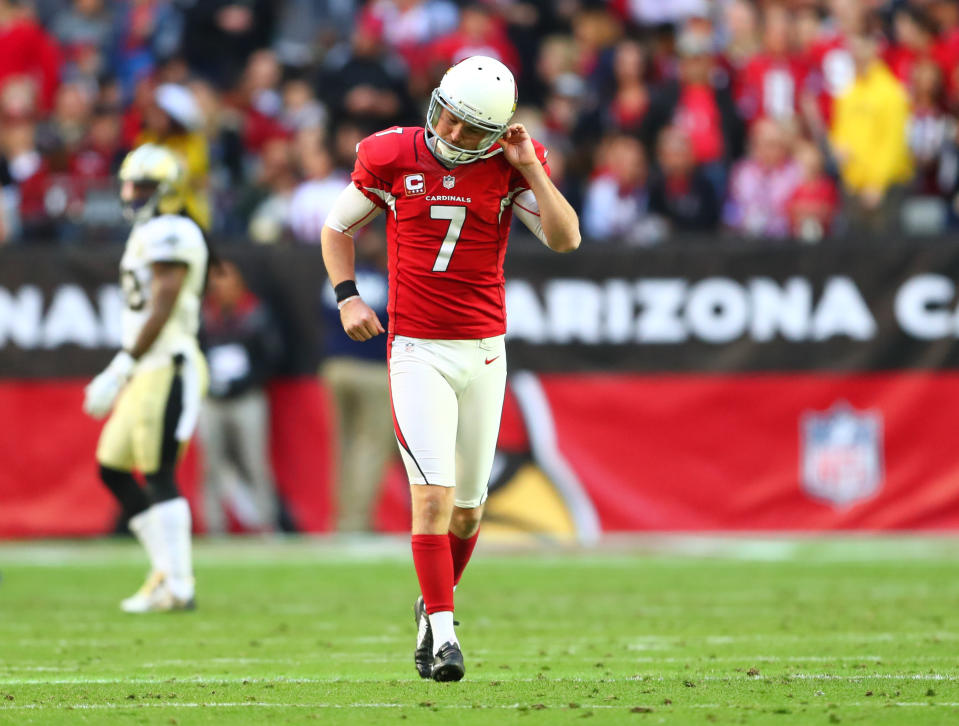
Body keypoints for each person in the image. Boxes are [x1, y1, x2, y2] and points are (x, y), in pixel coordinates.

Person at [320, 55, 579, 682]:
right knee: (430, 500)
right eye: (451, 120)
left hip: (486, 350)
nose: (456, 136)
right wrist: (347, 293)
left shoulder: (511, 161)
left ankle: (430, 603)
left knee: (468, 510)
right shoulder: (391, 153)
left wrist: (530, 170)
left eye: (472, 129)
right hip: (418, 349)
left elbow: (566, 238)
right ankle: (442, 633)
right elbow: (337, 226)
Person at [82, 143, 209, 612]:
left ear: (167, 192)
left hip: (168, 363)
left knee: (158, 474)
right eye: (130, 183)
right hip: (146, 368)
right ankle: (165, 572)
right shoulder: (149, 230)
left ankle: (179, 583)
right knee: (113, 467)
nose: (131, 192)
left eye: (142, 185)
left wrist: (121, 365)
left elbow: (165, 299)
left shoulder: (173, 230)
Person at [199, 258, 283, 535]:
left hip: (247, 397)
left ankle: (266, 524)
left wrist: (244, 382)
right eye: (215, 282)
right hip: (211, 399)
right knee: (210, 465)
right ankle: (214, 527)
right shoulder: (203, 315)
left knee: (255, 463)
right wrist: (208, 383)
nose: (220, 287)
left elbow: (272, 355)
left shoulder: (255, 312)